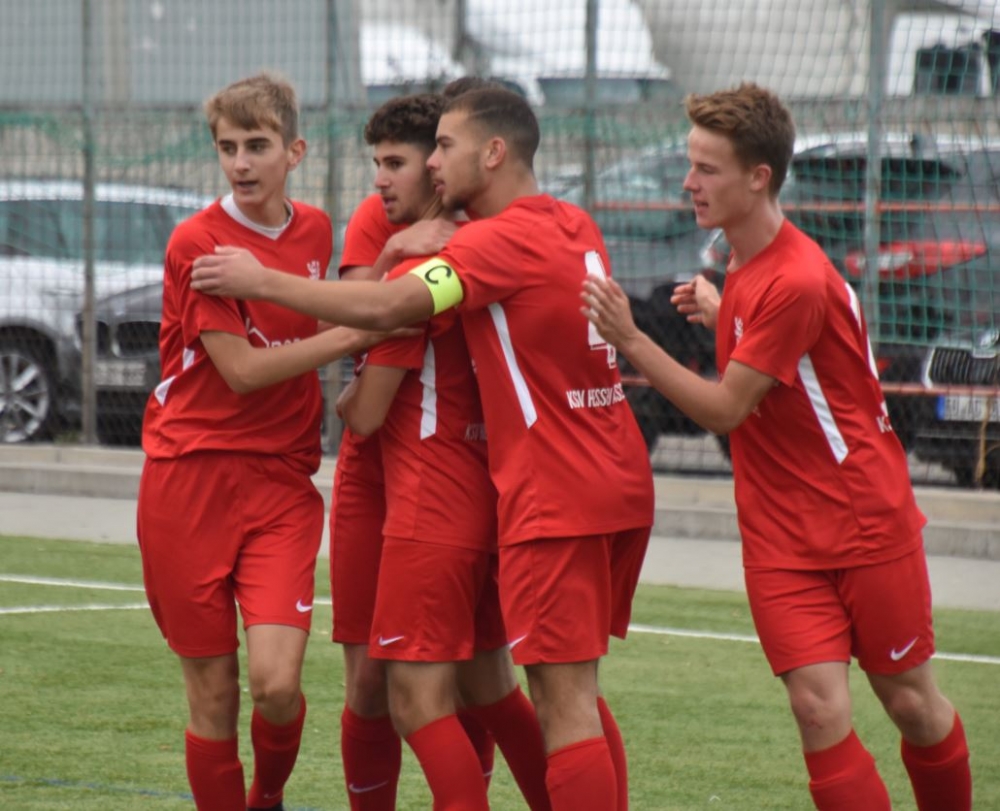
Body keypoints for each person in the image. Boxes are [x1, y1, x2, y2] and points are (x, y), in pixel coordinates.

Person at [190, 86, 655, 811]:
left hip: (496, 491)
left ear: (491, 154)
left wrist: (263, 281)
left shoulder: (483, 243)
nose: (423, 166)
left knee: (447, 696)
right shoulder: (572, 221)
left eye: (436, 149)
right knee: (540, 688)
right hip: (600, 472)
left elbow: (384, 327)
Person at [580, 82, 972, 811]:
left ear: (759, 177)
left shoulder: (795, 277)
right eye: (691, 164)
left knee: (912, 704)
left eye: (707, 169)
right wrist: (722, 310)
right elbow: (783, 361)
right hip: (781, 535)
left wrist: (630, 338)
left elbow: (727, 408)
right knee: (818, 709)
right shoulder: (744, 262)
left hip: (862, 520)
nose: (689, 182)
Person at [136, 72, 392, 811]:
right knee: (214, 694)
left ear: (295, 151)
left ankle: (266, 795)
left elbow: (330, 305)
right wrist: (357, 334)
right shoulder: (199, 241)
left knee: (277, 685)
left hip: (281, 484)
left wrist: (394, 262)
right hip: (188, 481)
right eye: (228, 148)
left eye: (257, 146)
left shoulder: (314, 229)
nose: (241, 164)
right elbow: (243, 372)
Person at [330, 87, 546, 811]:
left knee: (427, 693)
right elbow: (365, 319)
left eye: (397, 163)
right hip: (397, 479)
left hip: (432, 485)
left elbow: (373, 366)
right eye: (377, 163)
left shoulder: (477, 240)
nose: (380, 180)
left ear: (440, 166)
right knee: (393, 683)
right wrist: (391, 251)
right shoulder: (388, 222)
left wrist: (261, 287)